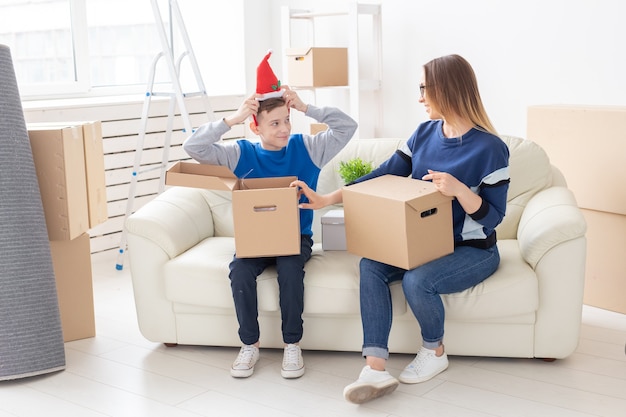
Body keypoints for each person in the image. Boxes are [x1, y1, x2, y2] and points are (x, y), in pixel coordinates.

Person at [292, 54, 510, 403]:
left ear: (447, 89)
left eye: (425, 88)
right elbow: (385, 173)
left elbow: (493, 218)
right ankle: (375, 368)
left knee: (417, 280)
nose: (420, 97)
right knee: (371, 265)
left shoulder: (491, 148)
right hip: (427, 243)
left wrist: (459, 190)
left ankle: (435, 351)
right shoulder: (424, 134)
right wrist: (330, 197)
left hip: (473, 251)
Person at [182, 51, 357, 380]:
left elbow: (347, 127)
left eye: (287, 120)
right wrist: (231, 120)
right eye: (275, 123)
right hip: (255, 240)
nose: (284, 129)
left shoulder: (308, 147)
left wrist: (306, 107)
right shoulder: (240, 153)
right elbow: (194, 148)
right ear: (255, 125)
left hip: (296, 237)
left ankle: (293, 344)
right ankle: (249, 344)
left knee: (291, 271)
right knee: (239, 270)